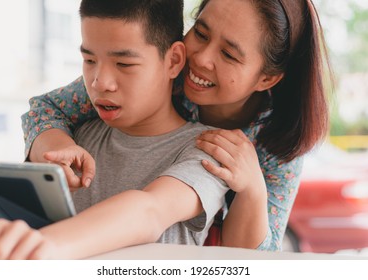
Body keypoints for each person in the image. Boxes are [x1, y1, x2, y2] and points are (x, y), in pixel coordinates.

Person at [20, 0, 331, 251]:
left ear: (266, 78)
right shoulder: (150, 74)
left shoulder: (274, 139)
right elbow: (47, 109)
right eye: (201, 33)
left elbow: (259, 257)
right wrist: (57, 147)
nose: (200, 58)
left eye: (228, 54)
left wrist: (252, 189)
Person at [0, 0, 230, 260]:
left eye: (124, 64)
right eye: (89, 60)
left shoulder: (209, 150)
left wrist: (41, 247)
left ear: (174, 61)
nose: (100, 82)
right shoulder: (72, 140)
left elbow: (149, 211)